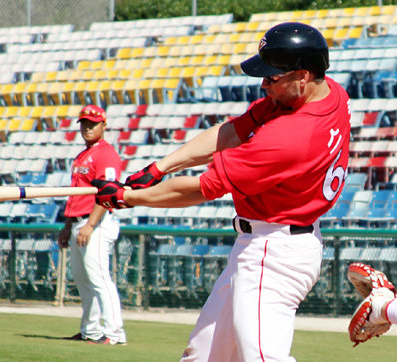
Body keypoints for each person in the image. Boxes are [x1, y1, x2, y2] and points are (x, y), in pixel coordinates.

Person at [92, 22, 351, 360]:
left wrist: (128, 198)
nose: (263, 85)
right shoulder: (327, 92)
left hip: (274, 252)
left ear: (301, 75)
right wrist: (159, 168)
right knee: (200, 356)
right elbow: (232, 132)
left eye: (272, 77)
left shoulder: (291, 137)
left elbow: (204, 188)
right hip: (269, 242)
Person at [57, 104, 127, 345]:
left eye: (93, 123)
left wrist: (90, 224)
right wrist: (67, 225)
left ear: (104, 125)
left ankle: (115, 333)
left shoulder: (106, 153)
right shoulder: (83, 154)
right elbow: (76, 193)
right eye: (84, 123)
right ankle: (91, 330)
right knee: (83, 279)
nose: (88, 127)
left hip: (96, 222)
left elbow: (108, 192)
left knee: (98, 278)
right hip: (79, 220)